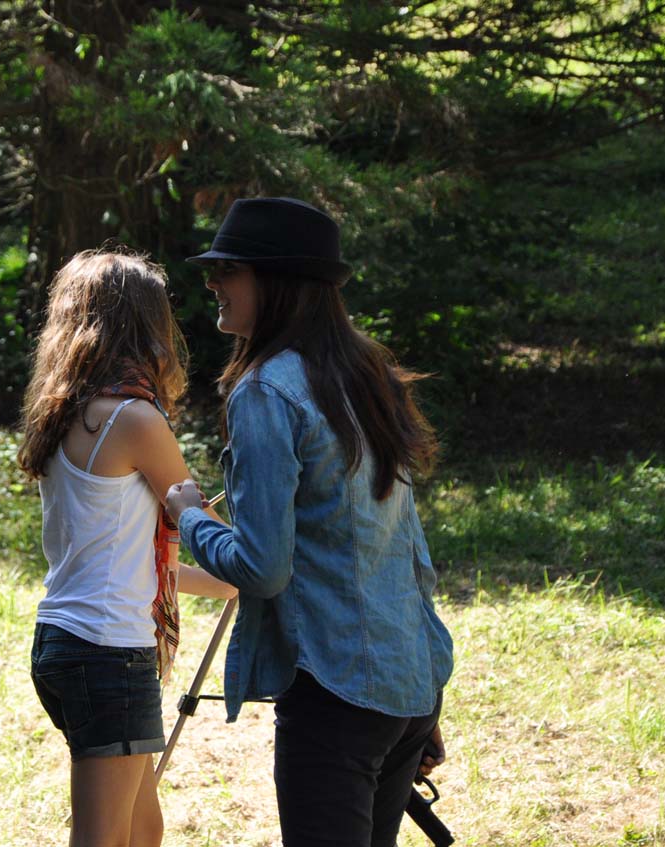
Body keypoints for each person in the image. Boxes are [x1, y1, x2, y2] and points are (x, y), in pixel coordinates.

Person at [164, 197, 454, 847]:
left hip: (337, 695)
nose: (211, 283)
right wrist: (423, 689)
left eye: (228, 269)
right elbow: (409, 551)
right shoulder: (366, 372)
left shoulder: (265, 390)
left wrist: (189, 517)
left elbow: (262, 568)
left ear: (278, 281)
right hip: (404, 687)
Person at [18, 250, 235, 847]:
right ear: (147, 328)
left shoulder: (64, 413)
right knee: (108, 838)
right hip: (107, 652)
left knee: (143, 829)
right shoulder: (135, 420)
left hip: (67, 641)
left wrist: (226, 581)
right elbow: (204, 530)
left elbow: (127, 557)